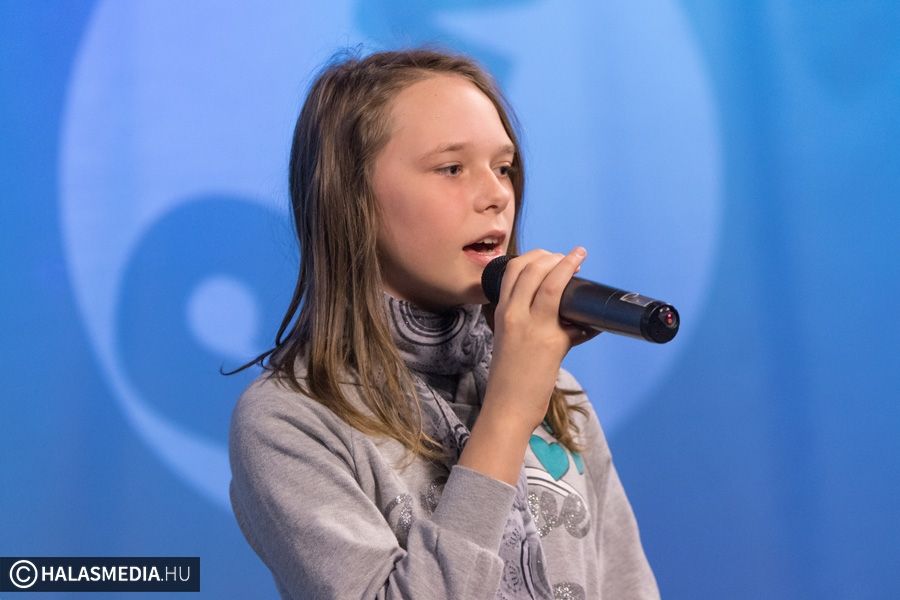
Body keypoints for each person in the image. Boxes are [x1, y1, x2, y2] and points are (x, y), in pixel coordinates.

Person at [228, 47, 659, 600]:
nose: (497, 195)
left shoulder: (555, 393)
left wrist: (522, 394)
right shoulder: (289, 420)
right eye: (451, 168)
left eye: (503, 168)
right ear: (351, 200)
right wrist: (507, 413)